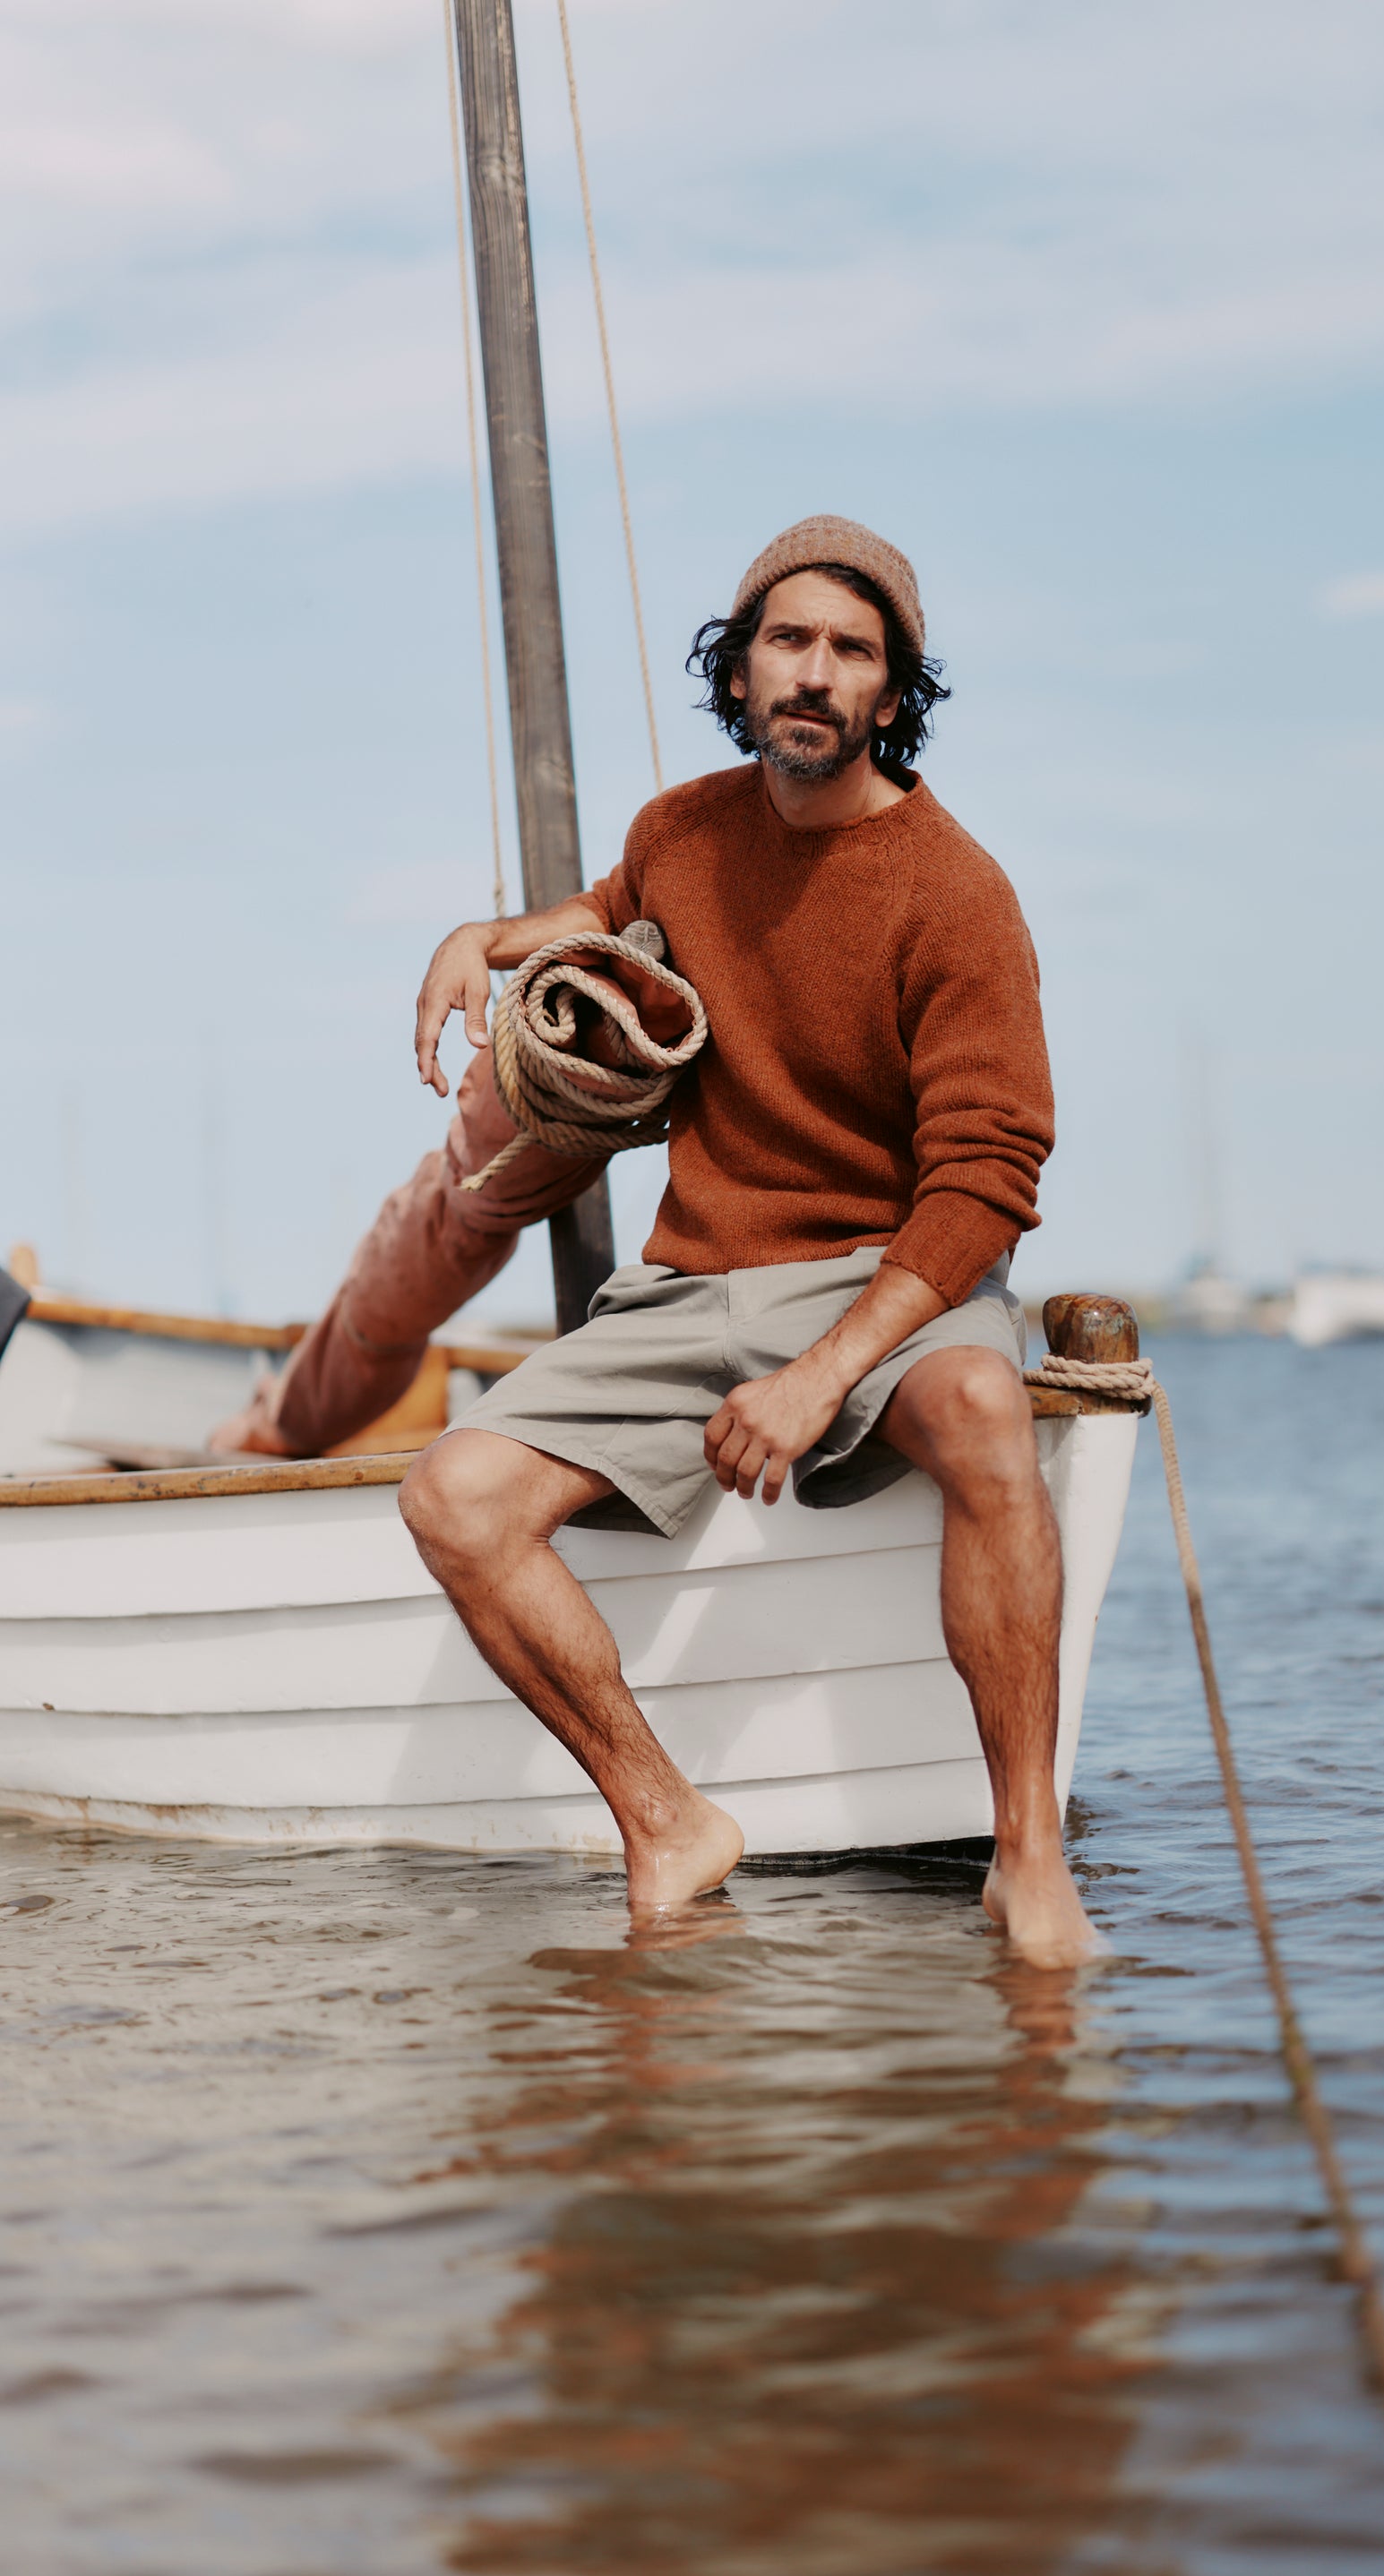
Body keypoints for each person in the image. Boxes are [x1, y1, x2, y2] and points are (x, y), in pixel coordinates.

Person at [378, 515, 1102, 1966]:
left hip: (881, 1273)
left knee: (977, 1409)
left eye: (851, 651)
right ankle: (666, 1818)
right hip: (692, 1283)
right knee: (452, 1496)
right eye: (789, 641)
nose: (815, 675)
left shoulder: (957, 891)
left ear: (892, 693)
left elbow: (984, 1178)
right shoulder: (683, 831)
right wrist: (485, 934)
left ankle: (1025, 1853)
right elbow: (605, 914)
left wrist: (821, 1375)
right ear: (744, 666)